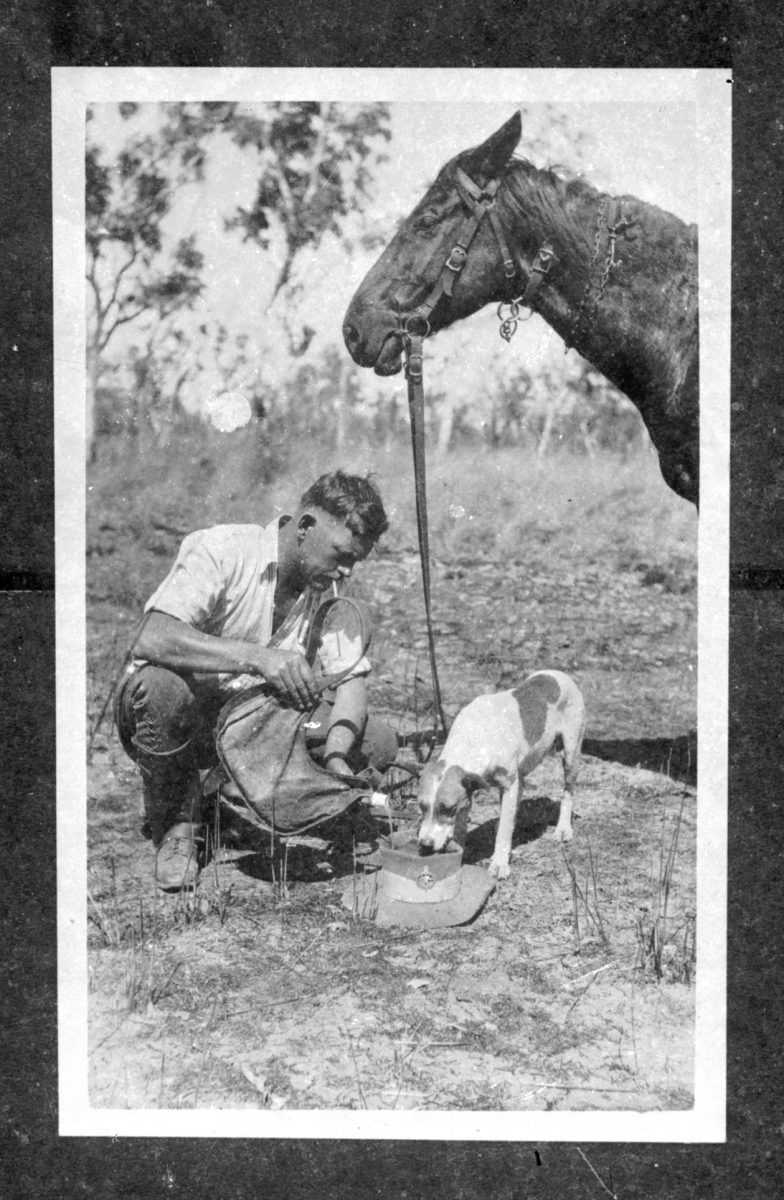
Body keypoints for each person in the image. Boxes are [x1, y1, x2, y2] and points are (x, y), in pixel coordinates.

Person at [115, 470, 397, 890]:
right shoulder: (226, 548)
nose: (346, 572)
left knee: (377, 741)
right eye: (341, 554)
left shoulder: (329, 592)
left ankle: (229, 788)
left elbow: (353, 689)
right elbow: (151, 636)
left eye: (355, 561)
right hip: (176, 716)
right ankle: (178, 825)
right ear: (305, 527)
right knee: (162, 689)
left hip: (250, 726)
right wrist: (258, 659)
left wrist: (338, 759)